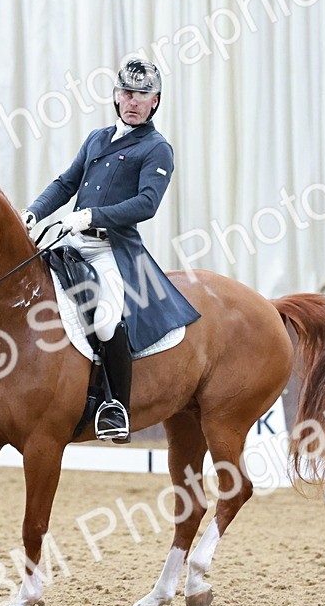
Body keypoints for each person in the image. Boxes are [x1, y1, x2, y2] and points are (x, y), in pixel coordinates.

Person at [21, 57, 201, 442]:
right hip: (71, 243)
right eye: (127, 93)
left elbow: (146, 204)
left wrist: (91, 217)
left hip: (111, 250)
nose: (133, 101)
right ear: (116, 96)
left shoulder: (156, 149)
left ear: (155, 102)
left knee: (104, 320)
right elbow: (66, 183)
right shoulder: (97, 139)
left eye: (143, 95)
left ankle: (114, 405)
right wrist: (33, 213)